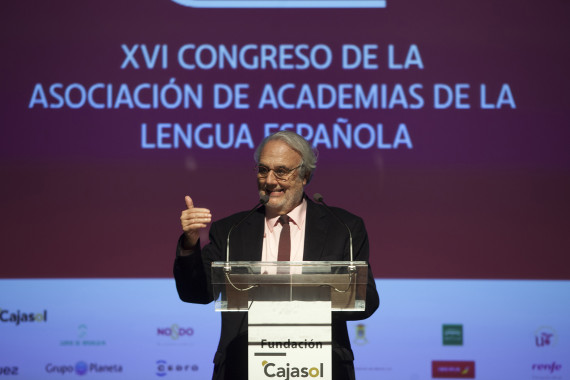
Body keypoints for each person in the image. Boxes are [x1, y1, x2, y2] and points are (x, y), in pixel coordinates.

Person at [174, 131, 379, 380]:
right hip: (244, 367)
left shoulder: (343, 227)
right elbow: (196, 293)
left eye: (281, 171)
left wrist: (307, 300)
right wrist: (190, 242)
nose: (270, 180)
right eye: (263, 170)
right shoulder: (231, 231)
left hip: (321, 365)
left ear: (305, 175)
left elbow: (366, 300)